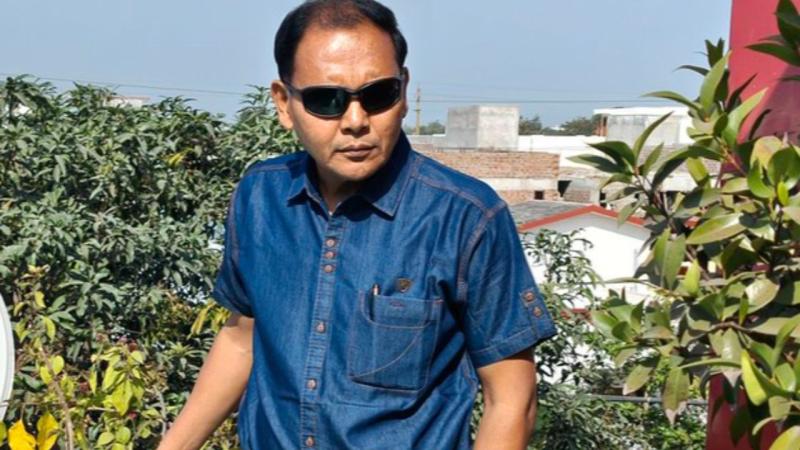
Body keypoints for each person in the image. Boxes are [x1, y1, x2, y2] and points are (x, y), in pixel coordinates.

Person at [158, 1, 556, 448]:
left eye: (378, 94)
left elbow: (512, 400)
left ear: (403, 91)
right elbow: (241, 339)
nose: (355, 122)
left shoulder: (466, 217)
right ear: (284, 104)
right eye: (326, 100)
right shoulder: (260, 197)